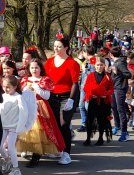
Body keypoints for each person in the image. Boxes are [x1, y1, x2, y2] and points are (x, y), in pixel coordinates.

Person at [16, 59, 65, 163]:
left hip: (40, 108)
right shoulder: (25, 80)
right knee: (30, 132)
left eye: (36, 67)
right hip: (29, 108)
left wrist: (37, 88)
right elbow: (21, 95)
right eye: (32, 68)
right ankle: (32, 152)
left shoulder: (45, 80)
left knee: (40, 131)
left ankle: (36, 156)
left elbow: (47, 96)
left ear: (41, 68)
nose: (34, 70)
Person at [41, 38, 80, 166]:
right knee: (54, 124)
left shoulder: (72, 63)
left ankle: (66, 154)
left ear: (66, 48)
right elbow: (44, 79)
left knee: (64, 124)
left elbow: (75, 83)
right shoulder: (49, 62)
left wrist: (71, 99)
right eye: (55, 46)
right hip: (52, 96)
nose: (56, 49)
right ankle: (57, 148)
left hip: (66, 96)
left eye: (59, 46)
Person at [0, 75, 26, 175]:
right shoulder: (2, 96)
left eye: (8, 87)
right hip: (3, 126)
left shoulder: (19, 97)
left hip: (14, 127)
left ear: (15, 87)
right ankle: (7, 160)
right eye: (4, 86)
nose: (5, 89)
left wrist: (20, 128)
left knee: (10, 148)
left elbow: (24, 113)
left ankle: (16, 169)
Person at [82, 56, 113, 146]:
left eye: (101, 65)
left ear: (104, 66)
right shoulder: (90, 75)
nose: (99, 67)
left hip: (104, 102)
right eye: (97, 65)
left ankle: (100, 138)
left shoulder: (107, 77)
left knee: (102, 120)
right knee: (90, 120)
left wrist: (106, 94)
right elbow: (86, 87)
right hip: (93, 100)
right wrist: (91, 94)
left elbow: (111, 88)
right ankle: (88, 138)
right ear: (94, 65)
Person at [109, 46, 132, 142]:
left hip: (120, 88)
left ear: (111, 54)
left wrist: (117, 72)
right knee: (114, 108)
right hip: (114, 87)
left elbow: (128, 74)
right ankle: (117, 127)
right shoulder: (116, 62)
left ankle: (125, 132)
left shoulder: (120, 63)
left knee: (120, 109)